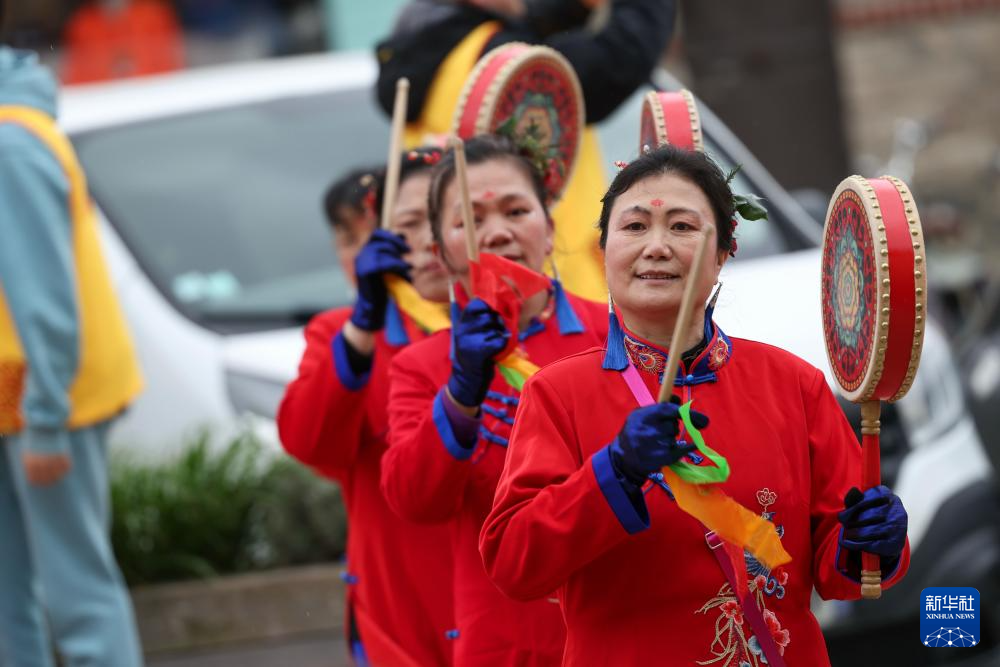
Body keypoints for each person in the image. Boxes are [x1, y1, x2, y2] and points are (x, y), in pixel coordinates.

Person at [480, 145, 912, 666]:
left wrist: (871, 540)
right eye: (634, 227)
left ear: (724, 250)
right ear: (603, 250)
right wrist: (614, 472)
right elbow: (514, 565)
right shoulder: (557, 393)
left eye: (682, 227)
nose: (656, 247)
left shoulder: (795, 384)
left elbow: (841, 572)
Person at [381, 134, 608, 666]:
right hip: (506, 644)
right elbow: (415, 501)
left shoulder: (616, 335)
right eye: (470, 220)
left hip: (620, 626)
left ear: (549, 229)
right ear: (441, 252)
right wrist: (461, 394)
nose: (498, 232)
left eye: (516, 211)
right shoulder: (422, 367)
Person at [278, 149, 456, 666]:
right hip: (400, 605)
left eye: (439, 218)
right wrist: (362, 327)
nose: (427, 238)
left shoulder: (515, 325)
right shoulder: (340, 332)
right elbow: (308, 442)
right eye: (409, 223)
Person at [0, 37, 145, 667]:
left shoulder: (9, 143)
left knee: (76, 596)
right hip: (23, 393)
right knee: (12, 599)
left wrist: (46, 418)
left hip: (45, 396)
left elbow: (45, 297)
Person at [376, 0, 678, 302]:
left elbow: (534, 22)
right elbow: (617, 60)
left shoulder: (436, 51)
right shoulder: (504, 57)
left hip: (469, 292)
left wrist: (575, 9)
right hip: (551, 291)